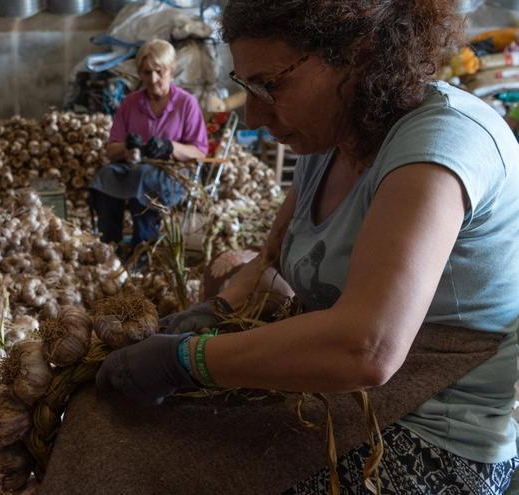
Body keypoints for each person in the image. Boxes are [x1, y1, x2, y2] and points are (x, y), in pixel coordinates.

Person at [95, 1, 519, 493]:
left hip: (434, 438)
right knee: (112, 433)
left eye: (270, 84)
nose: (253, 113)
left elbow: (366, 347)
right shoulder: (331, 142)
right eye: (247, 86)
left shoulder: (442, 145)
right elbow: (268, 264)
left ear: (359, 55)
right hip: (341, 404)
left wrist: (186, 361)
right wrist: (210, 314)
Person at [88, 39, 208, 253]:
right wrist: (127, 147)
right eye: (146, 73)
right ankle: (109, 244)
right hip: (135, 166)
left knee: (144, 177)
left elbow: (199, 151)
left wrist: (170, 147)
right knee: (105, 175)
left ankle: (143, 248)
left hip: (173, 173)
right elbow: (110, 150)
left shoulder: (186, 103)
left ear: (171, 70)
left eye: (159, 72)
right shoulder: (130, 103)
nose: (152, 79)